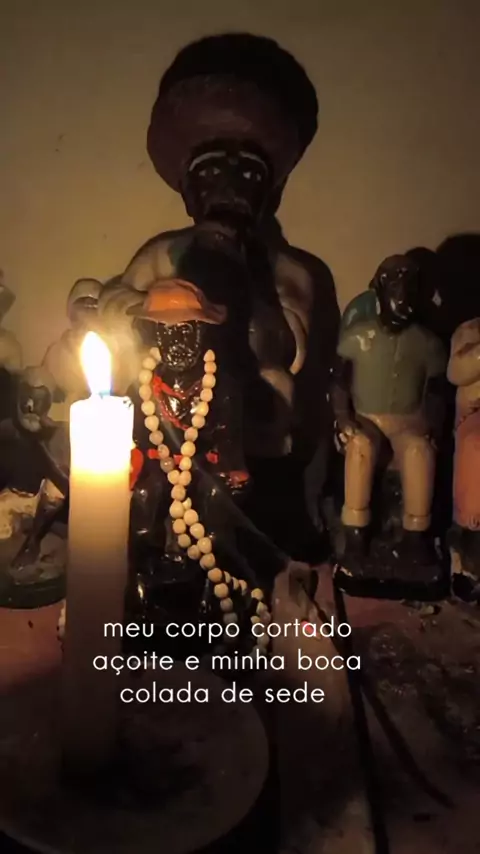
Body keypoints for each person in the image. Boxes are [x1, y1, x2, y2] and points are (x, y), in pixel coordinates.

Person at [331, 254, 447, 564]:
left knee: (419, 451)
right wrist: (342, 418)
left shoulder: (427, 344)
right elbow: (339, 382)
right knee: (361, 447)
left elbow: (435, 391)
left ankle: (415, 535)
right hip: (366, 417)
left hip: (409, 421)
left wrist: (433, 426)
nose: (402, 298)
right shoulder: (357, 338)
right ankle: (355, 531)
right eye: (394, 286)